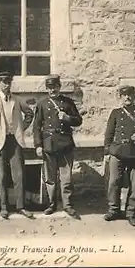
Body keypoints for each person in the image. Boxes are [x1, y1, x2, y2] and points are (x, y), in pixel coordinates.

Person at [0, 71, 35, 220]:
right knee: (2, 175)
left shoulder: (17, 100)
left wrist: (21, 128)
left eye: (9, 82)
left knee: (18, 174)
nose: (6, 85)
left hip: (15, 141)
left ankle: (21, 206)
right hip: (0, 142)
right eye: (4, 82)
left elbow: (29, 114)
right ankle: (4, 208)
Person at [103, 85, 135, 227]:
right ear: (120, 97)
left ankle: (131, 212)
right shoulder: (115, 113)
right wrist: (107, 152)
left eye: (130, 95)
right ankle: (113, 210)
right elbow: (109, 134)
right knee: (114, 181)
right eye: (124, 95)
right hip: (117, 151)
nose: (127, 97)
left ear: (134, 96)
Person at [33, 75, 83, 219]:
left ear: (59, 87)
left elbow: (78, 120)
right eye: (49, 87)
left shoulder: (67, 103)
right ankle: (51, 204)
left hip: (65, 143)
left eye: (54, 87)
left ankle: (67, 205)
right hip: (48, 144)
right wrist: (38, 145)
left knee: (66, 177)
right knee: (50, 178)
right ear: (46, 89)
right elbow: (36, 126)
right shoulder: (42, 104)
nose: (52, 90)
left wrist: (67, 118)